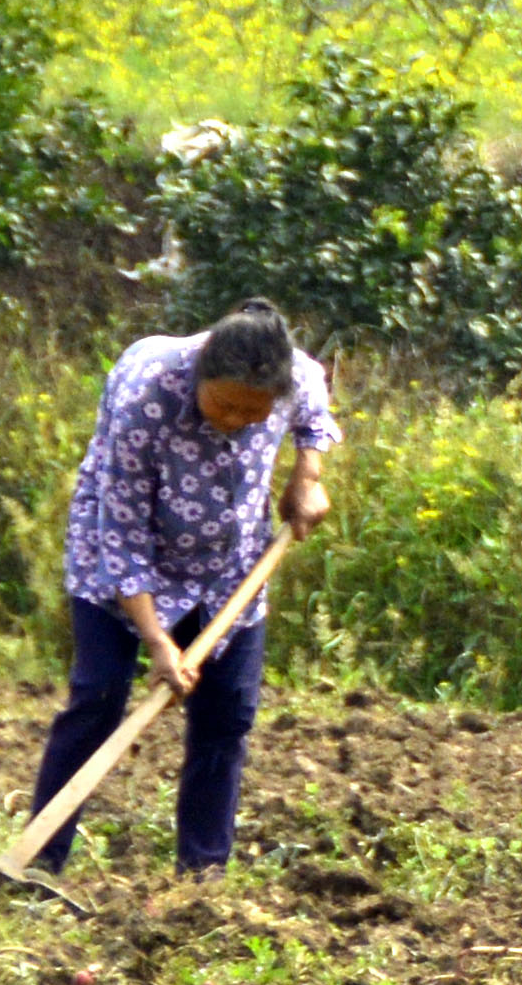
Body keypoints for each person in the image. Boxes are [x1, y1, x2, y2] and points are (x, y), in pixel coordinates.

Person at [28, 298, 337, 875]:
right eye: (223, 404)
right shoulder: (147, 396)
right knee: (98, 699)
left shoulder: (291, 376)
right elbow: (121, 533)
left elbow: (314, 395)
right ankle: (39, 860)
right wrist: (157, 641)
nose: (233, 419)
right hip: (119, 555)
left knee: (226, 715)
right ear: (201, 375)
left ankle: (202, 874)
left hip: (229, 567)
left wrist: (307, 474)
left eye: (251, 413)